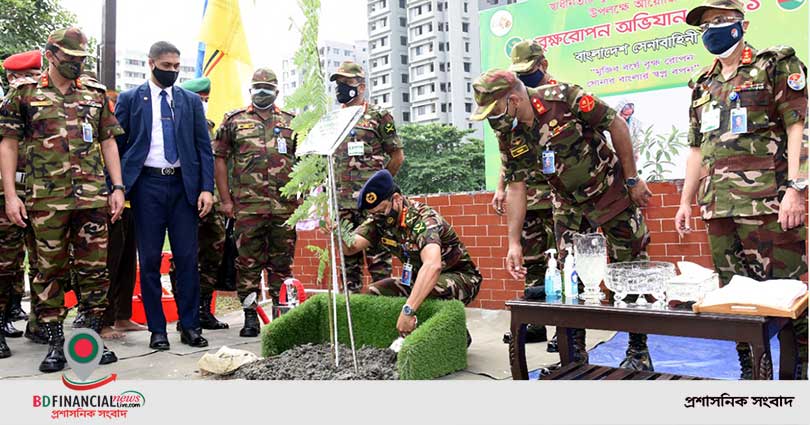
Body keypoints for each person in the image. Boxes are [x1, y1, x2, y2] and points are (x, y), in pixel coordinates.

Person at [470, 69, 656, 371]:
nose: (493, 119)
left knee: (629, 270)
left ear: (514, 99)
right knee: (570, 280)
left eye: (495, 110)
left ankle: (638, 350)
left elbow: (616, 124)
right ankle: (575, 357)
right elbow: (517, 187)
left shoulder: (564, 97)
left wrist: (633, 179)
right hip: (568, 204)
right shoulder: (508, 131)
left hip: (611, 194)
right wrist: (513, 243)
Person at [674, 0, 808, 380]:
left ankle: (798, 371)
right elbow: (698, 149)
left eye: (719, 20)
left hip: (768, 203)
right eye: (705, 24)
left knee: (786, 293)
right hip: (718, 207)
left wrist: (796, 189)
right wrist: (686, 201)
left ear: (741, 23)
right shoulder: (702, 84)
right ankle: (751, 369)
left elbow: (800, 127)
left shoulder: (774, 65)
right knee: (733, 296)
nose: (712, 29)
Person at [0, 27, 124, 371]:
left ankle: (88, 340)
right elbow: (8, 145)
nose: (76, 65)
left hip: (91, 198)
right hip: (45, 199)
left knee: (95, 272)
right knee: (48, 272)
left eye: (81, 59)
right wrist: (12, 196)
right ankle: (54, 341)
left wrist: (117, 187)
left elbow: (108, 141)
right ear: (51, 54)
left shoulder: (96, 95)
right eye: (70, 58)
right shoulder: (24, 93)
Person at [115, 41, 214, 350]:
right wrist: (116, 187)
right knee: (149, 259)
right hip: (147, 187)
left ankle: (190, 326)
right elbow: (116, 147)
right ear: (151, 63)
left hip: (184, 187)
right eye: (167, 66)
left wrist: (206, 188)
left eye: (176, 67)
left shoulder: (190, 102)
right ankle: (157, 330)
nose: (172, 72)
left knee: (186, 258)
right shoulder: (131, 100)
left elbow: (203, 148)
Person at [342, 170, 482, 342]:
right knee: (375, 291)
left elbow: (432, 266)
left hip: (462, 278)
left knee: (429, 290)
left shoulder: (423, 220)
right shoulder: (380, 221)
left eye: (381, 211)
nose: (376, 217)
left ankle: (455, 333)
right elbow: (352, 247)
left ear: (397, 199)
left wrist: (408, 310)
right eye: (372, 214)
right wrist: (336, 232)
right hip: (419, 278)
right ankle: (395, 338)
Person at [214, 68, 298, 337]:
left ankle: (281, 318)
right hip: (247, 207)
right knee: (247, 265)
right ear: (251, 90)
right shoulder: (233, 120)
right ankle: (250, 316)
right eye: (258, 87)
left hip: (284, 208)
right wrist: (225, 200)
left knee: (281, 265)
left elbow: (305, 162)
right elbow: (220, 160)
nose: (262, 91)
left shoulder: (292, 122)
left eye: (267, 87)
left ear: (276, 91)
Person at [495, 40, 557, 347]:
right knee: (533, 261)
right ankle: (535, 323)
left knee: (564, 260)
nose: (525, 78)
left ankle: (566, 327)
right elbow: (510, 158)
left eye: (529, 72)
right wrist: (500, 187)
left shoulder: (563, 98)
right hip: (530, 197)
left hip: (563, 200)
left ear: (543, 66)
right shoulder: (516, 104)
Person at [329, 61, 405, 293]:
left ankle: (383, 319)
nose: (340, 88)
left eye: (346, 83)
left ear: (361, 87)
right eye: (338, 84)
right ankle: (351, 322)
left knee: (379, 267)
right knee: (347, 271)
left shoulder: (379, 116)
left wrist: (380, 188)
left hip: (373, 206)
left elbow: (397, 156)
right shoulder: (333, 121)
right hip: (343, 206)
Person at [175, 76, 229, 331]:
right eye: (199, 100)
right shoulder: (175, 124)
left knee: (214, 252)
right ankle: (184, 312)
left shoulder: (209, 127)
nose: (203, 104)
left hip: (211, 203)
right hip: (185, 200)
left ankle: (203, 308)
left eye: (205, 100)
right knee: (185, 257)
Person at [0, 50, 42, 344]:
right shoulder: (4, 109)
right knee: (5, 263)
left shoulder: (44, 109)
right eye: (26, 77)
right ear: (12, 79)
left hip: (40, 194)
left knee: (43, 262)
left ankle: (40, 324)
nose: (33, 83)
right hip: (7, 193)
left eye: (36, 76)